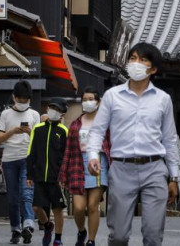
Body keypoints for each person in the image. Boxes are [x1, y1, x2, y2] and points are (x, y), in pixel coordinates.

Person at [86, 42, 180, 246]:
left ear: (153, 69)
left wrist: (174, 177)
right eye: (132, 58)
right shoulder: (112, 96)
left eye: (143, 60)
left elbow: (170, 139)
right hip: (121, 168)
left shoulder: (163, 99)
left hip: (154, 168)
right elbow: (97, 131)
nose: (136, 63)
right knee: (118, 236)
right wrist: (93, 156)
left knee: (153, 235)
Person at [59, 87, 111, 246]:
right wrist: (63, 174)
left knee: (93, 205)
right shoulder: (75, 124)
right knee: (79, 207)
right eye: (84, 99)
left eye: (91, 99)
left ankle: (91, 240)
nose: (87, 102)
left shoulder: (106, 122)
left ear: (98, 102)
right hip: (77, 163)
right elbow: (68, 150)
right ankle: (81, 231)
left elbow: (112, 145)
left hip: (99, 163)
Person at [0, 80, 41, 244]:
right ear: (13, 97)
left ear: (30, 99)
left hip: (28, 159)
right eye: (20, 100)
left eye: (26, 100)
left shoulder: (34, 115)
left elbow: (39, 141)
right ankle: (15, 229)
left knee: (26, 194)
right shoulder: (5, 114)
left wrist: (30, 132)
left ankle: (28, 226)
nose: (23, 103)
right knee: (12, 198)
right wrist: (13, 131)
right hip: (9, 160)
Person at [27, 98, 69, 246]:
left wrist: (64, 176)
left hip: (56, 177)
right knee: (36, 207)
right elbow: (31, 152)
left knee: (57, 209)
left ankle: (58, 238)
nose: (53, 111)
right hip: (39, 176)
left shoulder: (63, 131)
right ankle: (47, 225)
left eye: (57, 109)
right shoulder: (37, 129)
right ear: (47, 109)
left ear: (62, 113)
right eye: (52, 108)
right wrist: (29, 174)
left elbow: (66, 156)